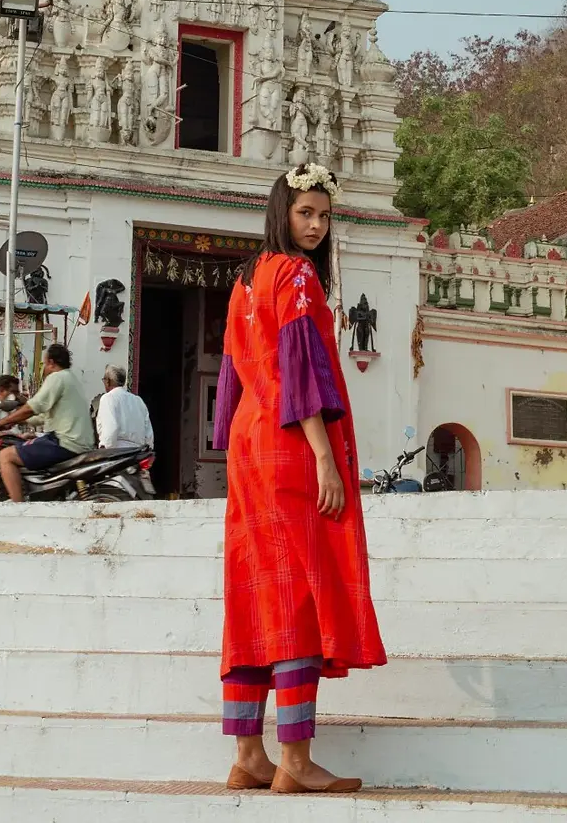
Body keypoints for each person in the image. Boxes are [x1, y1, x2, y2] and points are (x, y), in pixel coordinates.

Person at [213, 163, 385, 796]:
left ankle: (248, 755)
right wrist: (323, 454)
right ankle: (297, 759)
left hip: (247, 449)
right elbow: (300, 370)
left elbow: (230, 380)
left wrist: (233, 451)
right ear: (281, 212)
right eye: (304, 213)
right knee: (297, 596)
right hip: (288, 448)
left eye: (323, 214)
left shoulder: (243, 279)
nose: (315, 225)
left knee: (252, 593)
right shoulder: (297, 276)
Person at [0, 345, 94, 502]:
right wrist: (12, 421)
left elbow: (32, 408)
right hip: (78, 444)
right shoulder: (72, 379)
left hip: (64, 443)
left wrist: (1, 422)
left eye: (44, 364)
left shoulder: (57, 378)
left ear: (51, 362)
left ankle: (17, 510)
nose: (44, 368)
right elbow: (41, 416)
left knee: (5, 456)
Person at [95, 365, 154, 451]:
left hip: (118, 451)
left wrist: (105, 448)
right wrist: (148, 448)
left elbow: (111, 428)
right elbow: (148, 432)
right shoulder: (138, 400)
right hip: (138, 452)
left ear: (108, 381)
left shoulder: (108, 398)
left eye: (104, 379)